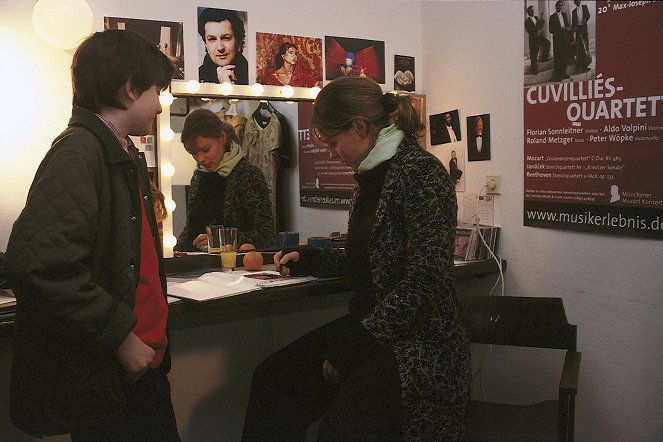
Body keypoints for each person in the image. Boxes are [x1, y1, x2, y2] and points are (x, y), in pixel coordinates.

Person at [242, 76, 471, 441]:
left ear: (360, 127)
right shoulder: (369, 177)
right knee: (273, 382)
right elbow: (369, 260)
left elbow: (424, 281)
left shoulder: (422, 175)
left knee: (340, 432)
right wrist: (312, 260)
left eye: (333, 143)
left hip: (418, 344)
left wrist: (357, 342)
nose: (332, 153)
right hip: (373, 328)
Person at [4, 29, 180, 440]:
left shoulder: (118, 152)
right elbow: (39, 266)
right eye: (157, 91)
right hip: (112, 376)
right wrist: (119, 335)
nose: (160, 104)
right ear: (130, 89)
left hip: (140, 370)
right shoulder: (79, 154)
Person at [174, 109, 275, 252]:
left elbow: (265, 236)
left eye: (206, 149)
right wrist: (176, 252)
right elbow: (192, 227)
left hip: (229, 269)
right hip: (193, 265)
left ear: (222, 137)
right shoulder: (199, 175)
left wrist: (219, 241)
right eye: (194, 153)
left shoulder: (248, 175)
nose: (200, 159)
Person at [198, 8, 248, 84]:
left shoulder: (256, 76)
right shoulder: (196, 77)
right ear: (206, 45)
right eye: (212, 39)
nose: (220, 47)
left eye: (226, 38)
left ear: (238, 42)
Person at [525, 5, 551, 75]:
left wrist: (542, 19)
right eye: (531, 10)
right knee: (534, 55)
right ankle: (534, 71)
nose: (533, 11)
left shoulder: (536, 18)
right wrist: (537, 29)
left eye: (533, 10)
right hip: (533, 39)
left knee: (547, 43)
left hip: (539, 37)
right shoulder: (527, 22)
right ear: (528, 12)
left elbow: (540, 25)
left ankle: (544, 58)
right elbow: (530, 31)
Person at [549, 0, 571, 81]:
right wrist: (560, 30)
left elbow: (567, 26)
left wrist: (566, 29)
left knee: (564, 56)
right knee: (558, 57)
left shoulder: (564, 15)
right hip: (557, 39)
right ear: (556, 6)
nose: (560, 7)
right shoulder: (552, 17)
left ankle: (564, 73)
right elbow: (551, 30)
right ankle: (558, 76)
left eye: (561, 5)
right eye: (558, 5)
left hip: (564, 38)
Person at [572, 0, 592, 72]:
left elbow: (588, 15)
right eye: (575, 1)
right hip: (578, 30)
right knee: (580, 48)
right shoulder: (573, 11)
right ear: (574, 2)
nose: (577, 2)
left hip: (584, 28)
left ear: (580, 1)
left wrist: (585, 20)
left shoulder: (584, 7)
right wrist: (575, 29)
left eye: (578, 1)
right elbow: (574, 23)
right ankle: (581, 66)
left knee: (586, 46)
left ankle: (586, 65)